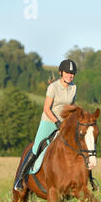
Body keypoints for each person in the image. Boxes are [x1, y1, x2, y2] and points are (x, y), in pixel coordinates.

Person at [14, 59, 78, 191]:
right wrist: (56, 122)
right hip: (49, 121)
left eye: (72, 73)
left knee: (77, 145)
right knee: (36, 147)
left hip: (64, 123)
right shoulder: (53, 87)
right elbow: (46, 109)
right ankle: (19, 180)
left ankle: (85, 179)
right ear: (61, 72)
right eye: (67, 72)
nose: (70, 75)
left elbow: (71, 108)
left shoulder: (74, 88)